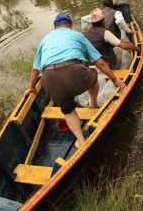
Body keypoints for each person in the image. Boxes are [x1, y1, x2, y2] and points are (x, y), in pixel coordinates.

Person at [24, 13, 124, 149]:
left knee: (68, 110)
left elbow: (35, 70)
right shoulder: (76, 35)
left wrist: (31, 87)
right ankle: (92, 102)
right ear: (70, 26)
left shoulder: (45, 39)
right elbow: (99, 62)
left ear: (54, 28)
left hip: (49, 78)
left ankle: (80, 140)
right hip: (75, 72)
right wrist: (114, 79)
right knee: (93, 77)